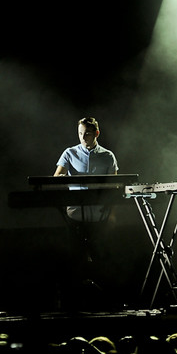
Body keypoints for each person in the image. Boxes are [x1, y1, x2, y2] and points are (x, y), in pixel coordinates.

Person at [53, 117, 119, 306]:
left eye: (87, 134)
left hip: (99, 216)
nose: (83, 137)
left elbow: (114, 186)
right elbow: (57, 176)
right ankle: (73, 302)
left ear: (96, 133)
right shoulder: (70, 152)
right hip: (75, 215)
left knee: (101, 258)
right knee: (75, 258)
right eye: (80, 133)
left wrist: (112, 213)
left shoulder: (107, 156)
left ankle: (105, 302)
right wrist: (62, 176)